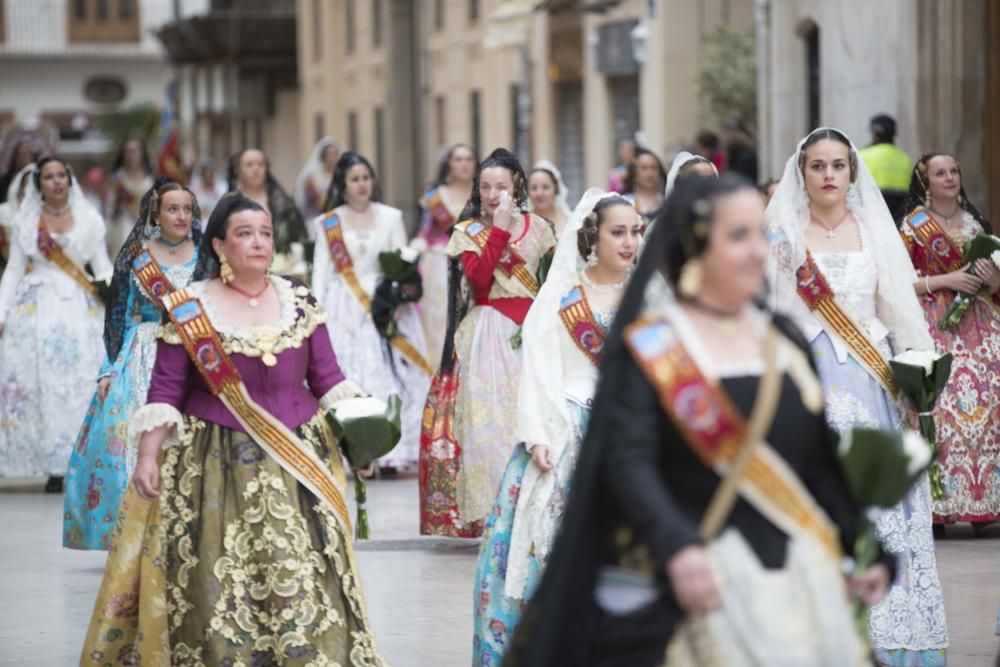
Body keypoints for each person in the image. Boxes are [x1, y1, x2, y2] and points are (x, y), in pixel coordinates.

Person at [509, 174, 892, 666]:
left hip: (791, 582)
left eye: (761, 232)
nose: (758, 251)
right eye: (738, 236)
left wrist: (863, 545)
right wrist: (679, 546)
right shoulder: (654, 347)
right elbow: (629, 464)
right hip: (692, 586)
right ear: (695, 248)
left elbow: (817, 463)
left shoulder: (783, 341)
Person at [80, 194, 385, 665]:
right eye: (245, 234)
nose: (259, 243)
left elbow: (328, 378)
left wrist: (361, 438)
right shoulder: (189, 307)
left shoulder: (298, 299)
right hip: (215, 468)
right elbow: (166, 389)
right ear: (220, 245)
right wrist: (146, 457)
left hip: (298, 464)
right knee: (221, 580)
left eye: (265, 233)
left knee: (303, 574)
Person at [766, 128, 948, 665]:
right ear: (802, 174)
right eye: (817, 166)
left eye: (837, 166)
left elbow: (897, 307)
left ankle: (888, 633)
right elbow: (768, 316)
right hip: (806, 384)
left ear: (851, 172)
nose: (828, 176)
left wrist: (919, 379)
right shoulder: (781, 237)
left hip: (870, 384)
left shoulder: (874, 231)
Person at [472, 190, 641, 665]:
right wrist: (538, 435)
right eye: (618, 232)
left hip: (628, 435)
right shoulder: (564, 297)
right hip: (566, 429)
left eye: (635, 231)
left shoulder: (651, 296)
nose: (629, 242)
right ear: (593, 235)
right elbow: (538, 371)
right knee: (538, 552)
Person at [420, 147, 557, 533]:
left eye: (501, 186)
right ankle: (499, 511)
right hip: (490, 332)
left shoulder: (541, 229)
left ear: (517, 187)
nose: (493, 194)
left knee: (531, 419)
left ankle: (536, 503)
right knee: (492, 425)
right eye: (485, 187)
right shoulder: (468, 233)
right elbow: (479, 282)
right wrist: (497, 229)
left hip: (531, 333)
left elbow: (549, 285)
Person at [63, 178, 200, 550]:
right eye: (173, 208)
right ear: (155, 212)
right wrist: (109, 368)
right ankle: (133, 535)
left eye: (187, 209)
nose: (182, 216)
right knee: (129, 440)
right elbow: (119, 316)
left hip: (193, 350)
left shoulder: (206, 254)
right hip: (143, 351)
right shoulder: (137, 256)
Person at [898, 153, 1000, 531]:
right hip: (931, 322)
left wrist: (990, 280)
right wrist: (946, 280)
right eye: (940, 173)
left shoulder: (975, 223)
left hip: (980, 322)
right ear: (925, 181)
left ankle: (985, 501)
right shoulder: (912, 227)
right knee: (937, 406)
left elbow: (994, 284)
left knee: (990, 403)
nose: (949, 178)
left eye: (954, 171)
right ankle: (939, 506)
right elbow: (898, 281)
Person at [312, 151, 431, 471]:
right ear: (342, 184)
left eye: (366, 177)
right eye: (354, 179)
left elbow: (401, 263)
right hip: (342, 306)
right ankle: (350, 448)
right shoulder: (328, 222)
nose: (362, 184)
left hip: (382, 305)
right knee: (348, 373)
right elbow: (321, 272)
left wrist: (395, 294)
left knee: (391, 374)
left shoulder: (390, 217)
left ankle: (390, 448)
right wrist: (315, 315)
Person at [0, 157, 113, 492]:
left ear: (69, 179)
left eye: (61, 174)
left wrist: (114, 301)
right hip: (36, 306)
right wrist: (2, 312)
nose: (56, 181)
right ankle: (48, 463)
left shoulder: (90, 219)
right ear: (40, 184)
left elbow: (102, 266)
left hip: (81, 305)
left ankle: (77, 460)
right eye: (49, 177)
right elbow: (14, 270)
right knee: (37, 382)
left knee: (80, 382)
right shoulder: (27, 221)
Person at [413, 143, 477, 371]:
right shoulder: (435, 197)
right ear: (449, 164)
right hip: (441, 264)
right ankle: (441, 374)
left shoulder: (483, 193)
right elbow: (424, 231)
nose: (464, 164)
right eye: (458, 159)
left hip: (476, 263)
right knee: (441, 320)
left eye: (468, 159)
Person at [227, 148, 306, 254]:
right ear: (238, 170)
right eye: (249, 165)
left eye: (260, 164)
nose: (256, 169)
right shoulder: (229, 204)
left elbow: (299, 236)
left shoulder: (282, 203)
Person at [105, 138, 154, 257]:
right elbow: (110, 208)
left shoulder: (151, 179)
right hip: (122, 229)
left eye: (135, 151)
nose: (131, 155)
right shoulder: (117, 179)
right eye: (127, 151)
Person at [859, 114, 912, 219]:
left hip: (869, 217)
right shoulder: (905, 159)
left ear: (874, 134)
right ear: (894, 134)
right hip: (897, 220)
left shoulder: (862, 155)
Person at [295, 137, 342, 225]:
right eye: (329, 155)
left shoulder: (342, 176)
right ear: (323, 157)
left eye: (335, 155)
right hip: (317, 220)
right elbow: (320, 202)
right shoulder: (312, 179)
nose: (332, 159)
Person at [527, 160, 572, 237]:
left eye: (545, 187)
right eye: (534, 188)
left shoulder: (571, 220)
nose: (539, 193)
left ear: (556, 189)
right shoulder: (521, 224)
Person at [623, 147, 667, 224]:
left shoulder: (666, 202)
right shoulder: (626, 202)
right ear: (635, 173)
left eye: (653, 168)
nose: (649, 173)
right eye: (644, 168)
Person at [188, 157, 227, 222]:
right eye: (206, 176)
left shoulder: (221, 189)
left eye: (211, 175)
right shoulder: (193, 190)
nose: (208, 179)